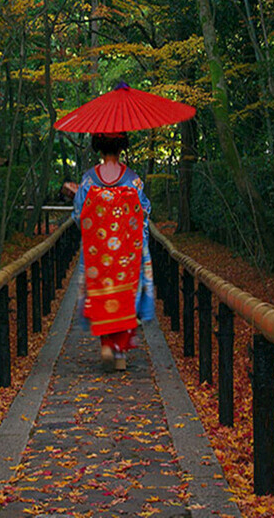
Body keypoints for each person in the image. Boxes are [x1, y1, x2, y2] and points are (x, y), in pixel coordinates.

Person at [70, 131, 155, 371]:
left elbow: (79, 215)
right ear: (122, 147)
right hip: (126, 252)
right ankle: (120, 353)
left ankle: (105, 345)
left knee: (102, 295)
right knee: (125, 296)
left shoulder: (88, 180)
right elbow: (144, 213)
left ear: (98, 147)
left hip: (98, 252)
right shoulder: (133, 180)